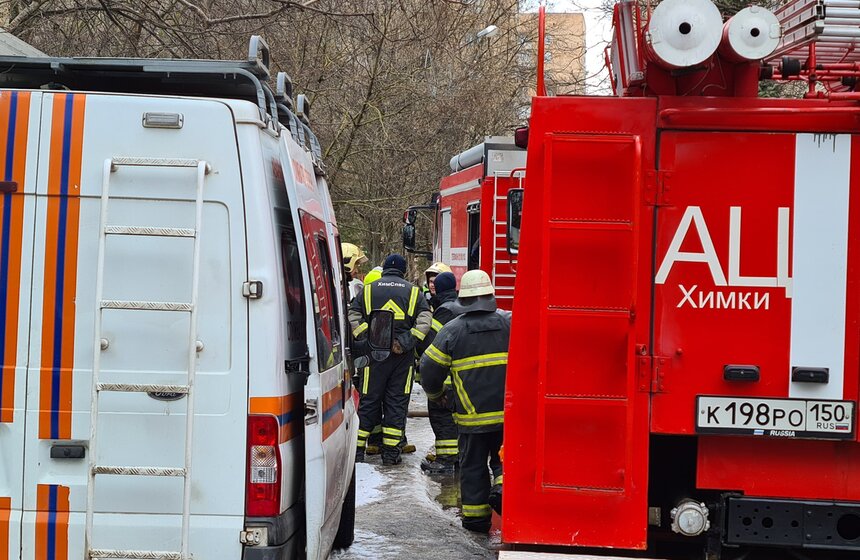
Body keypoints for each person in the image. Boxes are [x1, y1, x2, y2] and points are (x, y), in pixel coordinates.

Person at [420, 269, 509, 533]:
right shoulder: (510, 322)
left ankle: (475, 519)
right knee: (506, 459)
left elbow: (428, 368)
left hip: (472, 419)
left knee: (472, 467)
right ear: (490, 295)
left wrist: (437, 396)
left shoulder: (453, 330)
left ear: (464, 299)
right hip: (508, 415)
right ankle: (503, 488)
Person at [350, 254, 432, 465]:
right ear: (403, 271)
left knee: (369, 402)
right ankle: (391, 455)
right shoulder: (413, 292)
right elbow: (425, 321)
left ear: (385, 269)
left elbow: (353, 315)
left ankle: (357, 453)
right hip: (401, 359)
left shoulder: (368, 290)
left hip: (373, 358)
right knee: (396, 404)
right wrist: (405, 342)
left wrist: (368, 336)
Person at [416, 271, 460, 475]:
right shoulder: (463, 306)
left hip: (446, 379)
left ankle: (446, 461)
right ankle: (458, 458)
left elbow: (432, 347)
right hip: (465, 378)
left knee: (442, 417)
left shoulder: (442, 312)